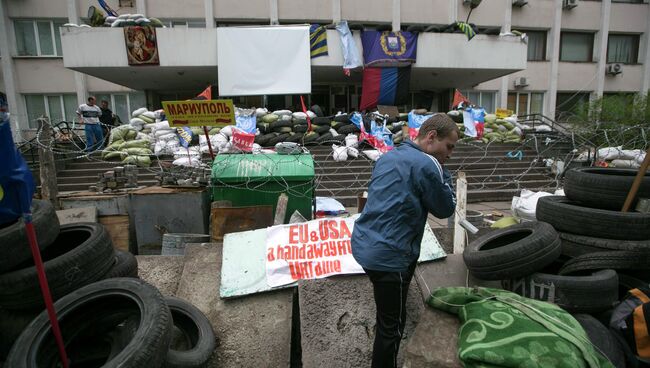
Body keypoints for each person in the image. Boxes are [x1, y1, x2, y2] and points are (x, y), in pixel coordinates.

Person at [351, 114, 459, 368]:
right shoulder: (428, 164)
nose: (450, 154)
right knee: (392, 328)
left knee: (388, 314)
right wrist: (445, 176)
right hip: (391, 256)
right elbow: (445, 208)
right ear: (431, 137)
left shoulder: (389, 156)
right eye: (449, 146)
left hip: (365, 245)